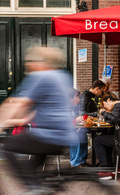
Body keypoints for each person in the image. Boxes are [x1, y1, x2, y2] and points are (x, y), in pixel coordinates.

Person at [0, 47, 76, 193]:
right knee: (32, 168)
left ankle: (34, 187)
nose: (27, 65)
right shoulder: (62, 76)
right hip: (64, 135)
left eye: (30, 61)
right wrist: (19, 120)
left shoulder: (41, 76)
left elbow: (18, 103)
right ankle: (38, 186)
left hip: (47, 135)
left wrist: (2, 123)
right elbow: (47, 104)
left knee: (8, 147)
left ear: (41, 62)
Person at [69, 89, 89, 168]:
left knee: (82, 133)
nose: (79, 100)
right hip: (61, 132)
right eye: (77, 97)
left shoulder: (72, 108)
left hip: (70, 130)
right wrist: (75, 120)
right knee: (74, 136)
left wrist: (78, 119)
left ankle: (82, 160)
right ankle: (74, 164)